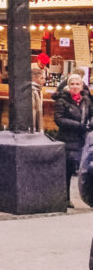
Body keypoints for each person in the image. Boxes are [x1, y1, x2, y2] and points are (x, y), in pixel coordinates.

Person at [54, 72, 93, 207]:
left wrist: (89, 124)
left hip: (83, 139)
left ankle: (89, 197)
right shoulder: (62, 100)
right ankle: (65, 198)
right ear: (68, 86)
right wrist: (79, 126)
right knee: (67, 171)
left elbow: (92, 114)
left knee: (87, 169)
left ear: (82, 86)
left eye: (77, 84)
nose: (75, 87)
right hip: (67, 139)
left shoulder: (86, 100)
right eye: (72, 84)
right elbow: (59, 119)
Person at [31, 63, 45, 132]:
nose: (44, 81)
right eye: (41, 78)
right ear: (34, 79)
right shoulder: (31, 92)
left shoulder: (38, 90)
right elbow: (31, 114)